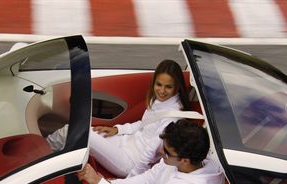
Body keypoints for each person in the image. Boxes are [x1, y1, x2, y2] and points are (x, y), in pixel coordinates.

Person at [47, 59, 188, 177]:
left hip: (129, 162)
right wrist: (118, 130)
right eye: (159, 84)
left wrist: (131, 177)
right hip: (125, 142)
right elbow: (143, 124)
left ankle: (41, 159)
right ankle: (48, 156)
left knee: (74, 132)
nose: (162, 91)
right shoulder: (159, 101)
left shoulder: (172, 118)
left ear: (177, 87)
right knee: (73, 131)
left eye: (168, 87)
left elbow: (151, 151)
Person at [76, 119, 223, 184]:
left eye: (166, 151)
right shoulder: (175, 162)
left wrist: (99, 183)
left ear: (184, 160)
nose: (160, 152)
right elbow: (146, 180)